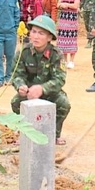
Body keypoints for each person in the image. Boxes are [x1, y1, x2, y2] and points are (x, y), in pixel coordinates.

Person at [11, 15, 70, 145]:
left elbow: (59, 79)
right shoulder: (23, 52)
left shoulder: (56, 54)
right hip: (29, 93)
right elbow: (16, 75)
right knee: (16, 102)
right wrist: (20, 86)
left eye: (41, 33)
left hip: (49, 93)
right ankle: (24, 133)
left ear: (49, 37)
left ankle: (54, 134)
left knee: (63, 104)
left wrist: (42, 89)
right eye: (34, 32)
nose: (36, 36)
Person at [56, 0, 81, 69]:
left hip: (71, 20)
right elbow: (58, 4)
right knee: (63, 40)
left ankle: (72, 61)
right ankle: (65, 60)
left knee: (72, 39)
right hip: (63, 20)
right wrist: (61, 5)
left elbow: (76, 6)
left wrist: (66, 5)